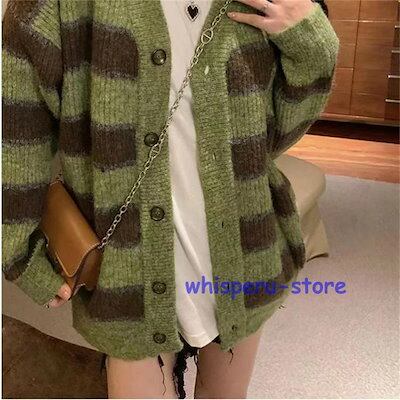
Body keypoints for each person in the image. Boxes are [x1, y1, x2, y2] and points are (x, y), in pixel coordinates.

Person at [2, 0, 338, 398]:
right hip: (128, 272)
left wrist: (311, 39)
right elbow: (16, 128)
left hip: (243, 254)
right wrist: (18, 255)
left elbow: (269, 137)